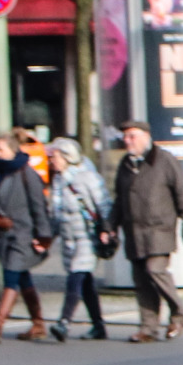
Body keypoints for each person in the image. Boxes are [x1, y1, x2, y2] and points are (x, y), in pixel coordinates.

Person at [113, 120, 183, 341]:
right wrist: (110, 226)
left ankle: (178, 312)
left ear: (146, 137)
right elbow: (119, 199)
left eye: (132, 136)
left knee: (155, 270)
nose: (127, 141)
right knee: (142, 280)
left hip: (159, 229)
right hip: (134, 232)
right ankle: (148, 328)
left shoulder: (164, 160)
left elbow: (182, 193)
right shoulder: (125, 164)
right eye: (125, 137)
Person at [0, 130, 54, 342]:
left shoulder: (26, 174)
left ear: (12, 151)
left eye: (0, 149)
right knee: (22, 277)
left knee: (11, 274)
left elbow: (39, 207)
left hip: (22, 234)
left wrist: (44, 235)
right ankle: (38, 324)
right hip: (2, 234)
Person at [47, 135, 113, 342]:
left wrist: (108, 228)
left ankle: (64, 322)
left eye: (55, 156)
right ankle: (98, 325)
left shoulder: (87, 177)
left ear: (68, 157)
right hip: (68, 239)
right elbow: (56, 213)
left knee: (76, 276)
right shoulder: (58, 180)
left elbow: (104, 205)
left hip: (87, 236)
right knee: (85, 282)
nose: (52, 160)